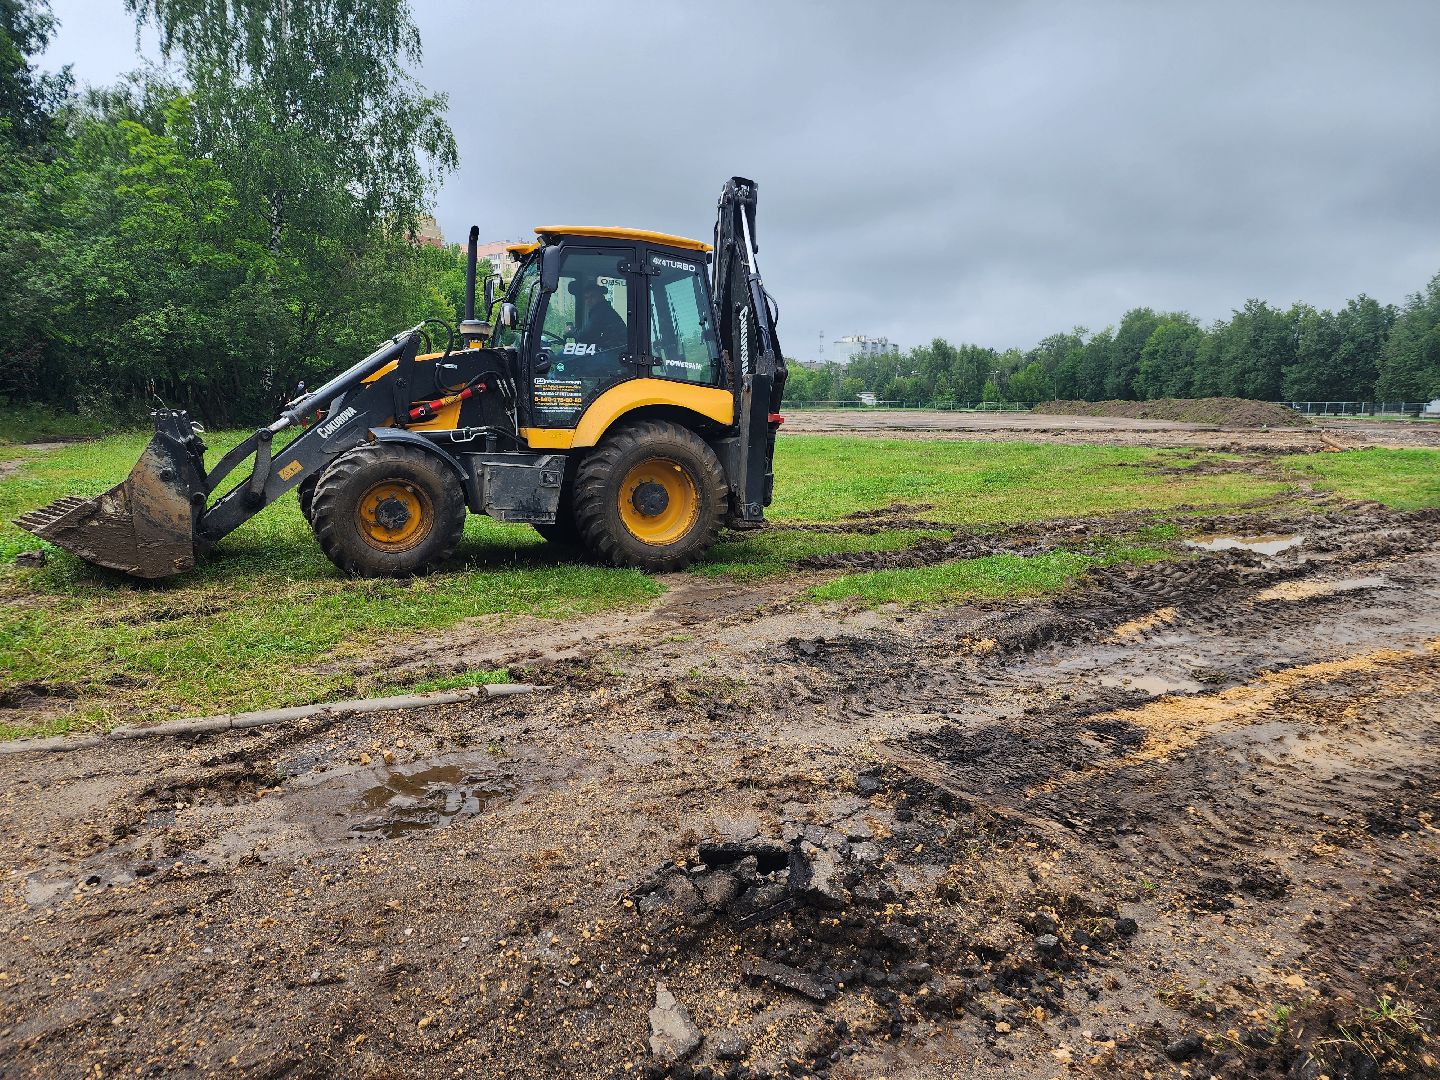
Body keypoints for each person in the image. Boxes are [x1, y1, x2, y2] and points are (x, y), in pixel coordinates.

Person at [567, 278, 627, 350]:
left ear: (601, 297)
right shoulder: (604, 310)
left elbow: (585, 336)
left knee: (562, 356)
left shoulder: (601, 312)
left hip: (612, 352)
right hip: (610, 350)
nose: (589, 300)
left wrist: (570, 330)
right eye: (586, 298)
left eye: (592, 296)